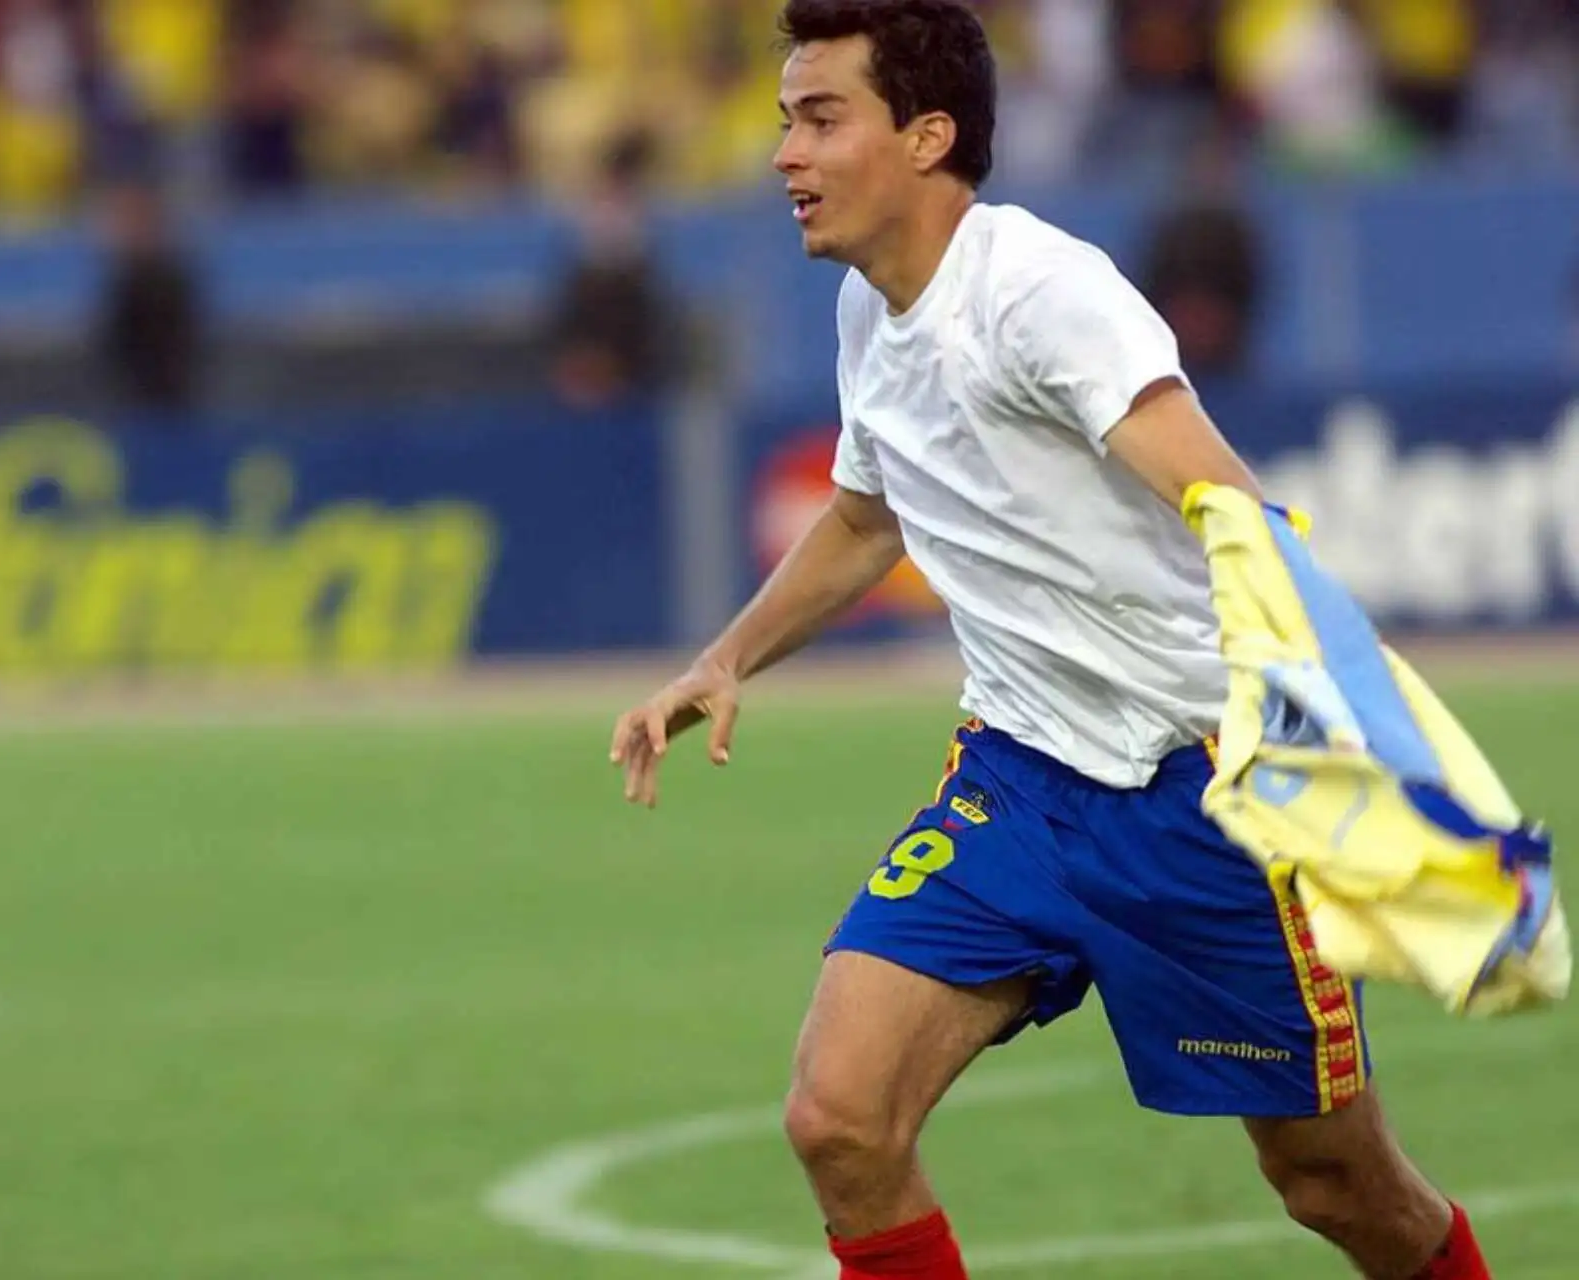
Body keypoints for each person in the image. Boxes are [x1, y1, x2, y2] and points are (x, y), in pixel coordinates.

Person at [607, 4, 1491, 1279]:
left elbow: (1219, 492)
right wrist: (725, 657)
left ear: (927, 136)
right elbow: (864, 515)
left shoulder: (1038, 291)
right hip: (1019, 784)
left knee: (1336, 1184)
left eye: (820, 119)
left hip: (1206, 794)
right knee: (840, 1116)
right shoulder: (868, 311)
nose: (784, 152)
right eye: (788, 120)